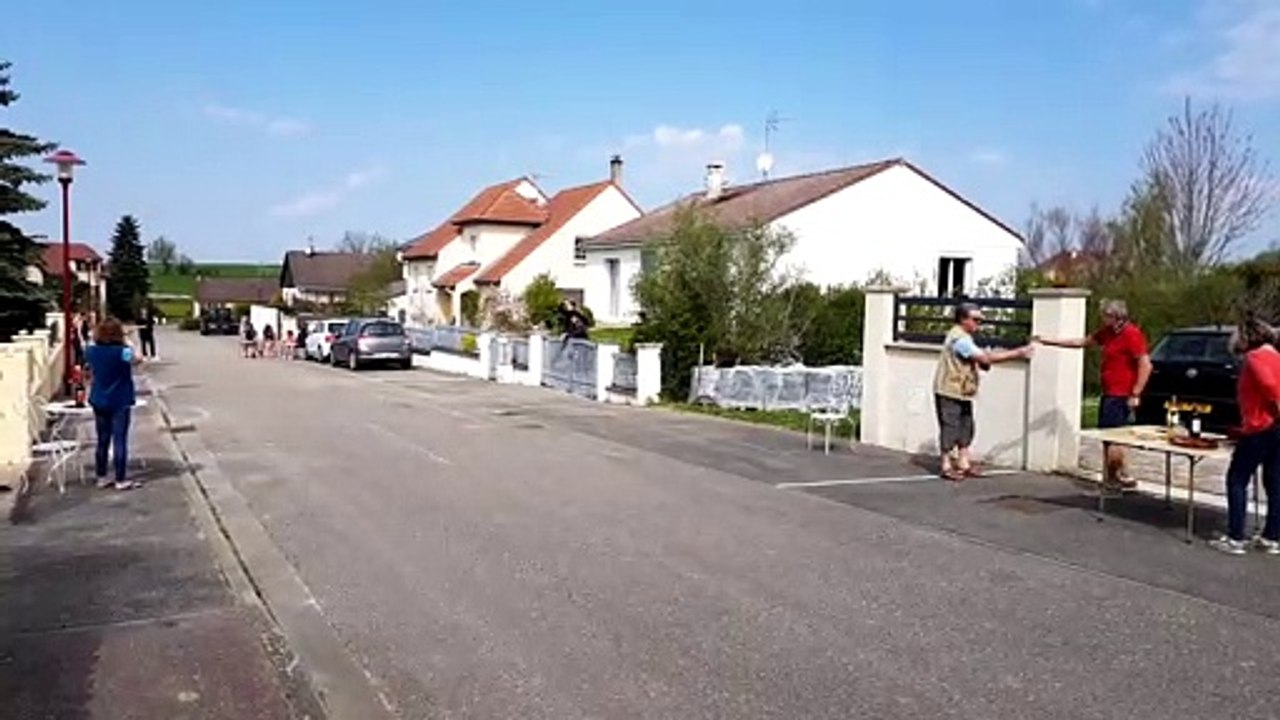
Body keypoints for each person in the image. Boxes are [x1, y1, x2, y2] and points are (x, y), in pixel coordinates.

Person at [1035, 299, 1151, 489]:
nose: (1103, 319)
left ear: (1116, 317)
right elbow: (1081, 342)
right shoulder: (1107, 333)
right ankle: (1122, 475)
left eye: (1106, 316)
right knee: (1111, 437)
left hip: (1121, 393)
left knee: (1113, 438)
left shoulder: (1132, 334)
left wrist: (1135, 393)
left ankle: (1113, 478)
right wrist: (1048, 341)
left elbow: (1145, 365)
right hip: (1109, 391)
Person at [934, 302, 1033, 482]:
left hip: (963, 390)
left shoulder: (965, 337)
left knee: (966, 426)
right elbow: (984, 357)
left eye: (980, 319)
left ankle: (963, 462)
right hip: (950, 389)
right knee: (950, 427)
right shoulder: (959, 339)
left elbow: (977, 359)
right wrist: (1018, 352)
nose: (979, 323)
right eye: (975, 319)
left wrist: (981, 362)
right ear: (963, 319)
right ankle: (946, 465)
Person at [1210, 317, 1280, 555]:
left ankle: (1235, 537)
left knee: (1237, 479)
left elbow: (1270, 387)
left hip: (1260, 427)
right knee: (1274, 481)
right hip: (1275, 429)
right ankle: (1272, 536)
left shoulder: (1255, 357)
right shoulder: (1276, 356)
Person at [85, 317, 142, 490]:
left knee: (102, 439)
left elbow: (88, 363)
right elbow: (138, 360)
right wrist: (128, 341)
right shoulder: (123, 352)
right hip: (120, 399)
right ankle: (120, 478)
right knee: (120, 439)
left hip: (99, 398)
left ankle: (101, 476)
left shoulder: (91, 351)